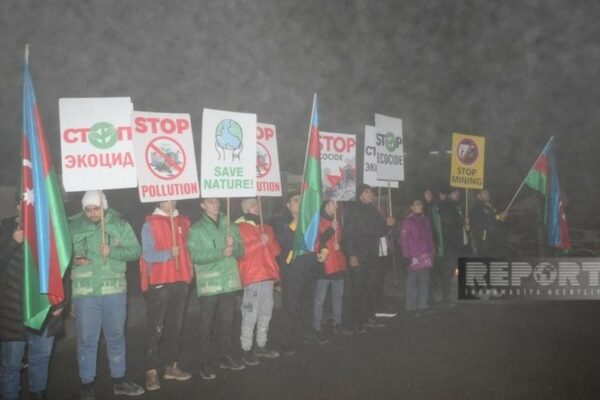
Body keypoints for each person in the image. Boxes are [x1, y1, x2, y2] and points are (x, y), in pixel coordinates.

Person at [69, 191, 144, 399]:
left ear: (105, 207)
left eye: (96, 208)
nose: (92, 213)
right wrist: (72, 260)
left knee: (116, 336)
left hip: (115, 291)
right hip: (85, 292)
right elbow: (61, 255)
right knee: (86, 339)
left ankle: (119, 380)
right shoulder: (73, 226)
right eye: (88, 209)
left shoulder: (120, 225)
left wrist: (113, 251)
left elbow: (135, 251)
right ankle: (87, 383)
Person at [0, 204, 64, 400]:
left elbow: (61, 267)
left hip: (43, 307)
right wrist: (11, 242)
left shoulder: (50, 230)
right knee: (11, 364)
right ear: (19, 204)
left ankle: (38, 394)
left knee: (41, 357)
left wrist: (60, 300)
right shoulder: (4, 229)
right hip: (12, 310)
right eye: (24, 201)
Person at [187, 198, 245, 379]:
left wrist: (233, 245)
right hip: (210, 285)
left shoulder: (231, 226)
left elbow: (241, 252)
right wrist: (221, 251)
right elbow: (195, 255)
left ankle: (225, 356)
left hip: (229, 282)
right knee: (206, 325)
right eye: (210, 202)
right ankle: (204, 362)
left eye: (217, 201)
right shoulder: (195, 229)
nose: (215, 205)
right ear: (202, 205)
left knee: (228, 322)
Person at [140, 200, 193, 391]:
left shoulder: (183, 222)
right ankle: (151, 371)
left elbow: (189, 250)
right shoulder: (149, 223)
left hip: (180, 280)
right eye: (165, 199)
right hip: (160, 282)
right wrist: (168, 253)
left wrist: (190, 270)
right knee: (156, 328)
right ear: (158, 201)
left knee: (175, 327)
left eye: (172, 199)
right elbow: (147, 254)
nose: (169, 203)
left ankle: (171, 365)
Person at [275, 191, 327, 355]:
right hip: (293, 271)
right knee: (290, 307)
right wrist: (296, 222)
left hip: (310, 268)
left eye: (301, 200)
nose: (299, 203)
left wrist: (324, 251)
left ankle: (306, 335)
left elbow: (320, 240)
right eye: (295, 201)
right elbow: (285, 241)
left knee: (307, 305)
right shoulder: (281, 222)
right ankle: (284, 342)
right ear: (288, 205)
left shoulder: (311, 221)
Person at [342, 184, 395, 332]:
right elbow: (349, 235)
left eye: (371, 192)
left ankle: (367, 318)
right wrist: (352, 254)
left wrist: (388, 225)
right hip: (359, 256)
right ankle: (354, 323)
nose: (371, 194)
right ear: (360, 195)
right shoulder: (353, 210)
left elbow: (379, 232)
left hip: (372, 255)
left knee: (370, 289)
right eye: (367, 192)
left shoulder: (373, 211)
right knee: (357, 290)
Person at [235, 198, 281, 366]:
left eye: (258, 204)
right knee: (249, 313)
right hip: (252, 276)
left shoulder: (266, 227)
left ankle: (261, 345)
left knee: (266, 312)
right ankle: (246, 349)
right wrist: (258, 242)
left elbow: (276, 251)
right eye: (253, 205)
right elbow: (239, 253)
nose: (257, 207)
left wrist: (268, 241)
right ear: (246, 208)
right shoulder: (239, 227)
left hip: (267, 275)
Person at [313, 200, 347, 337]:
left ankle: (337, 322)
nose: (336, 206)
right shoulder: (317, 221)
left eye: (337, 204)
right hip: (324, 265)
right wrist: (330, 229)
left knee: (338, 296)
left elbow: (341, 240)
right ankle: (316, 326)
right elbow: (317, 242)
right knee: (319, 299)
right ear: (326, 205)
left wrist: (341, 246)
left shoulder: (338, 221)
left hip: (338, 263)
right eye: (333, 204)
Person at [399, 199, 435, 315]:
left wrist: (432, 250)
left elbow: (429, 237)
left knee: (425, 281)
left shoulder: (426, 220)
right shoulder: (408, 221)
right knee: (412, 281)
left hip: (425, 255)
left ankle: (423, 304)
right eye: (417, 204)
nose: (420, 206)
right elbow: (404, 240)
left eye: (420, 204)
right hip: (413, 255)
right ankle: (411, 307)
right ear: (412, 207)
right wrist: (406, 255)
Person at [439, 188, 469, 303]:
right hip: (451, 245)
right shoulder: (447, 206)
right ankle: (446, 296)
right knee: (448, 271)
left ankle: (454, 294)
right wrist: (461, 223)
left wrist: (466, 226)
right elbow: (449, 225)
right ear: (449, 194)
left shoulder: (457, 207)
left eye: (458, 192)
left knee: (457, 271)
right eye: (454, 192)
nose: (457, 194)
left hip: (459, 245)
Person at [470, 189, 508, 257]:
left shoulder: (489, 206)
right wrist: (498, 217)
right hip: (485, 242)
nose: (488, 194)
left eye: (488, 192)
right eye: (485, 193)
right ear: (478, 196)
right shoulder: (476, 207)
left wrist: (502, 219)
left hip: (495, 241)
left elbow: (496, 219)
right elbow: (484, 221)